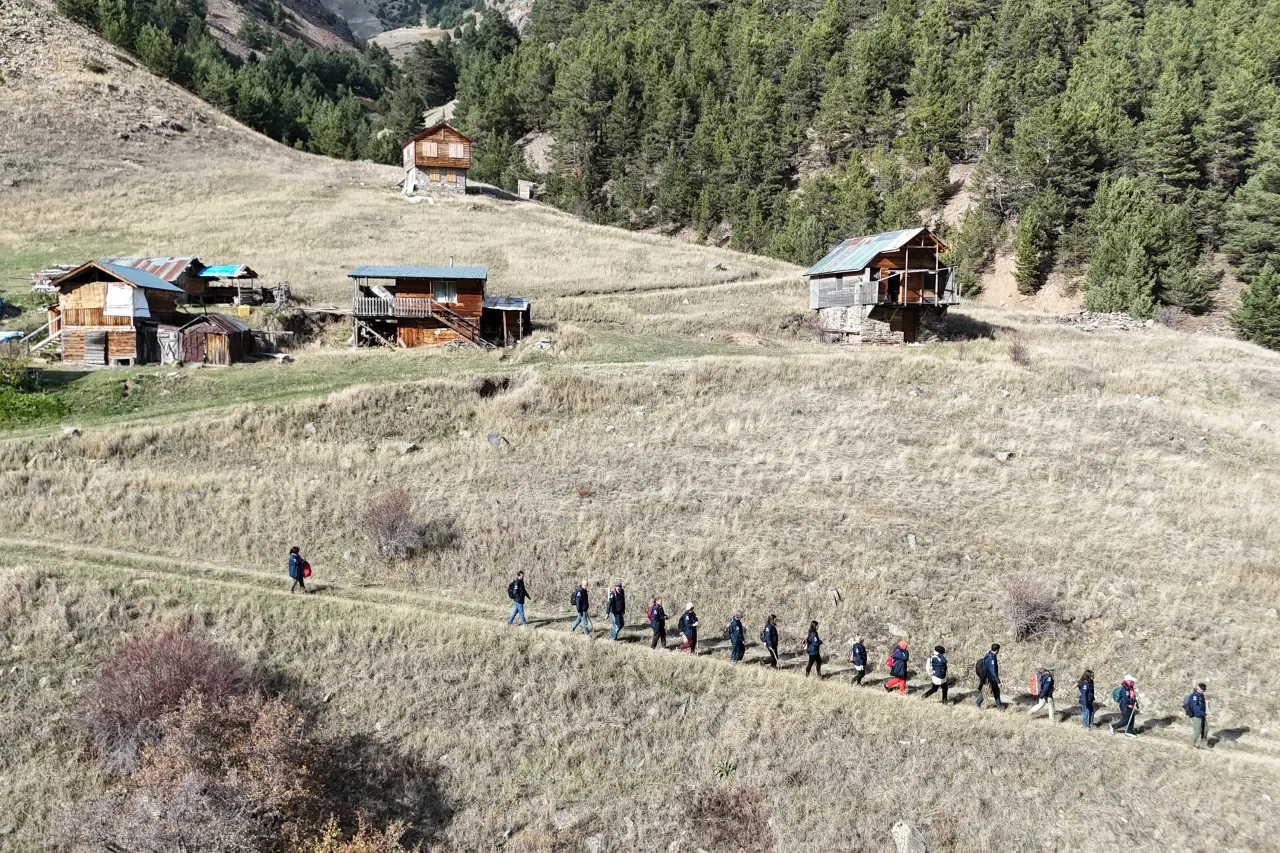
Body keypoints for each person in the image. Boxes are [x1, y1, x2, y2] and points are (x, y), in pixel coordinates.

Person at [975, 643, 1005, 709]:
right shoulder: (992, 659)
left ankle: (978, 703)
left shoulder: (988, 654)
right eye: (998, 650)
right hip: (990, 678)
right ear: (997, 650)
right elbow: (993, 671)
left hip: (987, 677)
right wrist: (998, 682)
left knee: (988, 691)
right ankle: (999, 706)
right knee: (995, 691)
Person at [1185, 682, 1208, 749]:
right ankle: (1192, 745)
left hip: (1202, 715)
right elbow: (1196, 707)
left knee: (1206, 729)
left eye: (1204, 689)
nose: (1203, 690)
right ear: (1198, 688)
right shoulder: (1194, 696)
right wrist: (1204, 714)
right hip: (1196, 715)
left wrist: (1203, 714)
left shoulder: (1201, 695)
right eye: (1202, 689)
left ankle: (1203, 744)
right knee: (1197, 730)